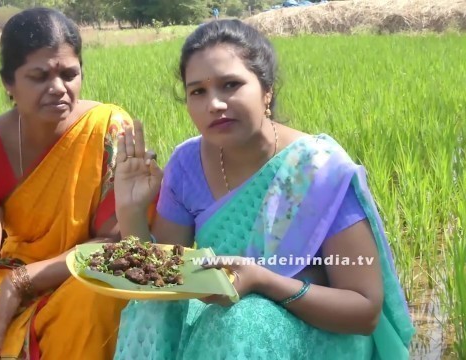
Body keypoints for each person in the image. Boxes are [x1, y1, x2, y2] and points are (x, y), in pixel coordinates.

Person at [111, 19, 415, 359]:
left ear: (266, 90)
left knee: (247, 320)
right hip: (224, 324)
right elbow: (163, 276)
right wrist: (131, 209)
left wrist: (261, 281)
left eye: (230, 85)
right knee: (148, 309)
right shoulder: (186, 164)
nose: (214, 103)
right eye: (198, 91)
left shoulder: (318, 168)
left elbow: (364, 311)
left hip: (316, 331)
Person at [0, 8, 138, 360]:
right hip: (10, 269)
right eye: (39, 76)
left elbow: (114, 244)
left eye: (69, 74)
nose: (58, 88)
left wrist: (23, 284)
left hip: (84, 272)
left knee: (93, 306)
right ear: (8, 82)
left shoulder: (108, 129)